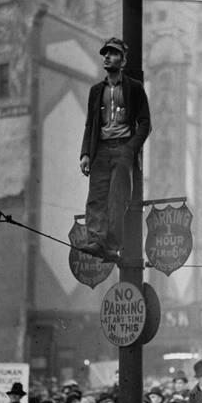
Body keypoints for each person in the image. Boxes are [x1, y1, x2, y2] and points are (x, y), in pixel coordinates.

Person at [80, 37, 151, 263]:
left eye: (113, 53)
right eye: (105, 53)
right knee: (96, 197)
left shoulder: (135, 88)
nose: (107, 57)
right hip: (100, 150)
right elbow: (90, 123)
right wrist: (85, 154)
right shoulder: (96, 91)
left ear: (122, 59)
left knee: (117, 198)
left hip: (123, 149)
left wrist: (130, 150)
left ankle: (111, 247)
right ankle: (96, 241)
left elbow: (145, 123)